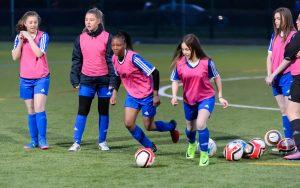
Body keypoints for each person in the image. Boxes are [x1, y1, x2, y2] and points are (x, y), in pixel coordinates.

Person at [110, 31, 180, 152]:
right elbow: (117, 76)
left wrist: (155, 95)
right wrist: (114, 94)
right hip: (132, 96)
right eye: (113, 45)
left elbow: (155, 72)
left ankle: (171, 126)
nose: (115, 48)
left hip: (147, 95)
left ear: (124, 45)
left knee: (149, 126)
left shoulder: (134, 58)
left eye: (118, 45)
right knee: (128, 123)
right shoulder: (114, 59)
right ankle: (150, 146)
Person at [170, 34, 228, 166]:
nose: (184, 52)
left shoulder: (207, 62)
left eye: (187, 49)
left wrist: (220, 96)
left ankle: (203, 153)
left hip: (206, 98)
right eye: (183, 49)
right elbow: (174, 80)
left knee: (200, 124)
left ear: (194, 48)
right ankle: (191, 144)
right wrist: (174, 96)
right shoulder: (180, 63)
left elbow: (217, 77)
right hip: (188, 100)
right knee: (190, 128)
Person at [69, 8, 117, 152]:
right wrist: (74, 79)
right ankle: (76, 142)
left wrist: (113, 82)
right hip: (86, 81)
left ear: (98, 21)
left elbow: (112, 61)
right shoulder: (80, 38)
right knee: (82, 110)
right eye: (86, 20)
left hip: (104, 81)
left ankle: (102, 142)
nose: (88, 22)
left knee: (103, 111)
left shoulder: (108, 38)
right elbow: (76, 60)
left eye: (91, 20)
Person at [11, 11, 50, 150]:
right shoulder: (19, 37)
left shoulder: (43, 36)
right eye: (30, 22)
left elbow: (39, 53)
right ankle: (34, 141)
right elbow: (15, 57)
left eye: (35, 22)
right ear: (25, 24)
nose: (33, 24)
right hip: (25, 79)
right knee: (31, 110)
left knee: (39, 107)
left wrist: (29, 37)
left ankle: (43, 140)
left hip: (41, 78)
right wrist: (21, 41)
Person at [266, 13, 300, 160]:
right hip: (277, 76)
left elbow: (288, 57)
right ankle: (289, 143)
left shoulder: (294, 35)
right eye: (274, 18)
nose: (276, 21)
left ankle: (292, 144)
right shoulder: (275, 35)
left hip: (288, 76)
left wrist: (274, 74)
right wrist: (270, 74)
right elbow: (270, 56)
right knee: (285, 110)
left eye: (279, 18)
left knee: (291, 111)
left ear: (286, 18)